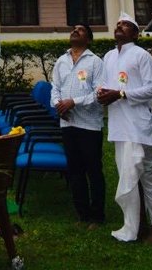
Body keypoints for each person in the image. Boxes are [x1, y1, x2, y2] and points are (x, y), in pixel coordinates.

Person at [97, 13, 152, 244]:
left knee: (148, 176)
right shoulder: (108, 56)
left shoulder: (142, 55)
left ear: (135, 33)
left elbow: (151, 89)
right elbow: (107, 85)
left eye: (126, 25)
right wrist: (103, 93)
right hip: (119, 126)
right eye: (118, 24)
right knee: (128, 176)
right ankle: (135, 224)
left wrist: (121, 94)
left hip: (139, 125)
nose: (119, 26)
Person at [50, 22, 105, 227]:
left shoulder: (95, 62)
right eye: (73, 29)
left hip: (89, 124)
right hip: (68, 123)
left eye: (80, 30)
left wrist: (74, 102)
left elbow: (99, 93)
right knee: (75, 170)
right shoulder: (61, 61)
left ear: (88, 39)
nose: (75, 31)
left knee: (93, 169)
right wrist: (58, 106)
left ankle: (97, 215)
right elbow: (55, 88)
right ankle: (82, 214)